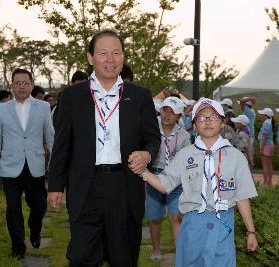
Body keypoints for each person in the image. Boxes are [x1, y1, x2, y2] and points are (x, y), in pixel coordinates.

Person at [47, 29, 160, 267]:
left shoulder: (139, 96)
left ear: (123, 57)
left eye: (116, 53)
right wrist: (55, 185)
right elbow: (62, 145)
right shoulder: (72, 96)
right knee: (81, 257)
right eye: (103, 53)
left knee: (123, 257)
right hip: (86, 186)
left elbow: (152, 137)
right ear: (90, 57)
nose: (111, 59)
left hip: (125, 186)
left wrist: (147, 153)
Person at [137, 98, 258, 266]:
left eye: (213, 117)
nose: (207, 121)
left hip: (223, 224)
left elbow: (242, 197)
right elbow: (165, 185)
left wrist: (250, 231)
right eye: (201, 117)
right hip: (192, 224)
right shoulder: (185, 155)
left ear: (223, 123)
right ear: (194, 125)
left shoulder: (236, 157)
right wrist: (142, 171)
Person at [0, 68, 55, 260]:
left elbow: (50, 135)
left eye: (25, 83)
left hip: (35, 164)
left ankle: (35, 230)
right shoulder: (1, 109)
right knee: (13, 208)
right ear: (11, 86)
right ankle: (18, 246)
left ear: (32, 85)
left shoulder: (42, 107)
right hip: (10, 165)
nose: (21, 86)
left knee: (39, 206)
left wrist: (57, 162)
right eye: (17, 83)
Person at [146, 96, 190, 261]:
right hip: (155, 174)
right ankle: (156, 250)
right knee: (155, 216)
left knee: (176, 216)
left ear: (179, 116)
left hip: (175, 177)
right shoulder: (151, 128)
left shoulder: (184, 135)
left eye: (172, 113)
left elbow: (187, 159)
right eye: (165, 110)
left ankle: (179, 254)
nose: (167, 115)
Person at [258, 108, 275, 187]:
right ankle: (270, 182)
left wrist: (261, 148)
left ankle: (265, 183)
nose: (261, 115)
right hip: (270, 144)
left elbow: (265, 136)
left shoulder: (266, 123)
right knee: (269, 164)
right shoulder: (269, 122)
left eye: (262, 114)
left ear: (266, 115)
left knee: (265, 165)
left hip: (266, 145)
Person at [238, 96, 256, 163]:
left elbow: (241, 101)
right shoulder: (251, 111)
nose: (240, 106)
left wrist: (250, 98)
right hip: (251, 135)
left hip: (247, 135)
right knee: (250, 156)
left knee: (247, 157)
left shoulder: (246, 110)